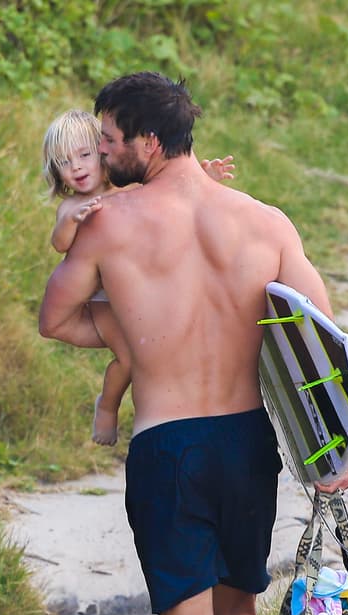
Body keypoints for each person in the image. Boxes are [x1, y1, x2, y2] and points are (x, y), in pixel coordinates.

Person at [38, 72, 348, 615]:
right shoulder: (264, 220)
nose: (102, 152)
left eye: (112, 138)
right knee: (239, 611)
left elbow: (55, 318)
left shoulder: (109, 224)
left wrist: (124, 327)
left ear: (148, 142)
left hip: (168, 445)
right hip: (245, 441)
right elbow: (324, 339)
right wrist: (335, 452)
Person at [41, 108, 235, 445]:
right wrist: (71, 222)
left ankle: (183, 409)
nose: (76, 168)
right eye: (63, 162)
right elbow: (59, 244)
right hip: (103, 299)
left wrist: (206, 180)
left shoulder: (128, 189)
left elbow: (173, 204)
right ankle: (107, 407)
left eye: (84, 156)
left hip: (141, 288)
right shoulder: (71, 207)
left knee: (168, 348)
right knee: (129, 359)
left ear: (103, 152)